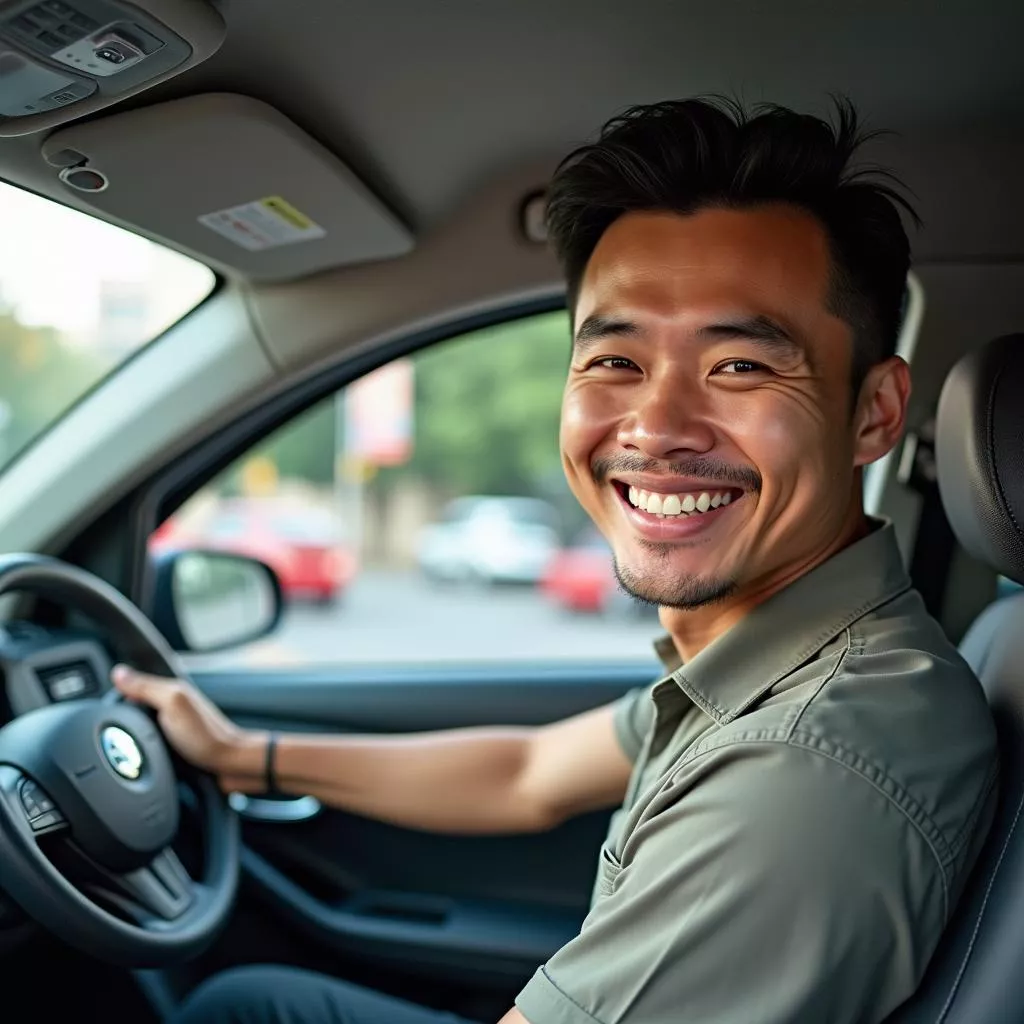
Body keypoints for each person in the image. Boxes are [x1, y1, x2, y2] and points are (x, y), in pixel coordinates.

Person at [116, 97, 998, 1024]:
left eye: (739, 366)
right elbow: (527, 774)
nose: (655, 429)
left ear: (875, 413)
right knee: (253, 1003)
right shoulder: (783, 662)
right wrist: (241, 756)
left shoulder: (804, 774)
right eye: (614, 361)